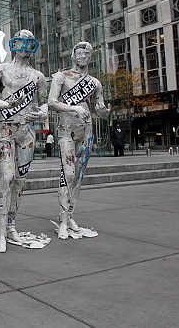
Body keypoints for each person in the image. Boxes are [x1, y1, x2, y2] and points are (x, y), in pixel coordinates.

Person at [0, 29, 50, 253]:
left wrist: (41, 113)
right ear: (13, 44)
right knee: (6, 176)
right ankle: (1, 231)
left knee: (20, 181)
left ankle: (11, 224)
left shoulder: (37, 76)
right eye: (21, 42)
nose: (25, 47)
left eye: (29, 43)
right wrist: (6, 105)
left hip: (27, 132)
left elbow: (44, 103)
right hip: (6, 129)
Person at [48, 41, 110, 239]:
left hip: (87, 130)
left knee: (79, 176)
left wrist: (103, 112)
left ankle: (69, 215)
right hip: (66, 130)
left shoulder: (94, 83)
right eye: (80, 53)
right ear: (73, 56)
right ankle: (63, 221)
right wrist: (72, 108)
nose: (83, 57)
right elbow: (51, 102)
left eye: (87, 54)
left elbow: (100, 108)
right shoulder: (61, 77)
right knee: (69, 173)